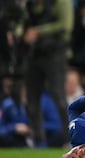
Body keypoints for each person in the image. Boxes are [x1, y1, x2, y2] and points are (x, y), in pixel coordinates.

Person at [23, 0, 74, 147]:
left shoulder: (61, 2)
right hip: (35, 54)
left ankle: (69, 139)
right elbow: (25, 24)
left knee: (59, 97)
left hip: (55, 54)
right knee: (32, 99)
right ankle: (38, 140)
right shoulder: (31, 4)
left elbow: (66, 25)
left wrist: (38, 31)